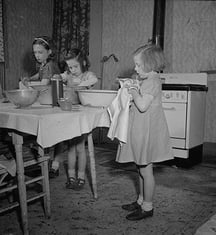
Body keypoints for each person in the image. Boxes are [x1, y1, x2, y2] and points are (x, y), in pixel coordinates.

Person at [116, 43, 173, 221]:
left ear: (150, 65)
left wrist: (133, 91)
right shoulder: (148, 80)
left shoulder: (152, 82)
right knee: (140, 167)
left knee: (146, 171)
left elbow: (142, 106)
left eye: (139, 65)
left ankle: (148, 206)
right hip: (142, 129)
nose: (135, 68)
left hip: (147, 131)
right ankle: (141, 200)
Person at [49, 48, 98, 190]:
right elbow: (58, 77)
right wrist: (58, 79)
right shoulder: (68, 75)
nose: (73, 70)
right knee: (71, 147)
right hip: (70, 114)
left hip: (82, 115)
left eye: (75, 66)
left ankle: (81, 177)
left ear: (83, 62)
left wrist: (79, 84)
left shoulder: (87, 75)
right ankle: (71, 176)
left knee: (81, 148)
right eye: (70, 67)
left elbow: (94, 80)